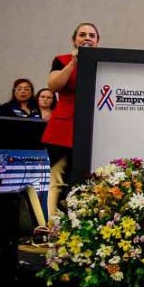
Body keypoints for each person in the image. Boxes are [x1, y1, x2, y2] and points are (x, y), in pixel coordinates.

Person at [43, 22, 100, 219]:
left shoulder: (103, 62)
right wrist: (72, 63)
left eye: (91, 35)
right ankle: (54, 224)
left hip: (92, 129)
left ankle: (81, 222)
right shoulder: (62, 60)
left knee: (87, 179)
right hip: (63, 129)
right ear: (74, 40)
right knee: (59, 178)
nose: (87, 38)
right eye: (82, 35)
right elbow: (53, 86)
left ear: (97, 41)